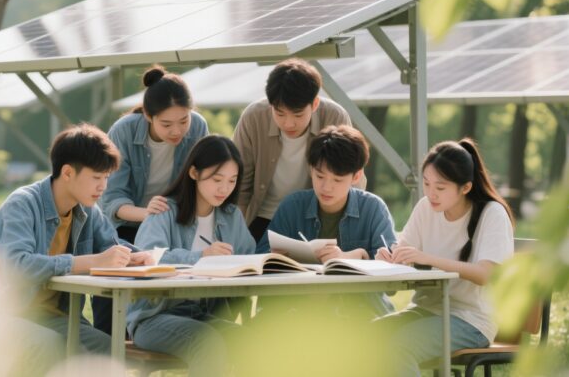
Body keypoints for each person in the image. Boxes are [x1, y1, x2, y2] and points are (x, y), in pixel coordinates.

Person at [0, 123, 152, 361]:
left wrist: (133, 258)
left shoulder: (87, 211)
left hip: (54, 318)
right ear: (68, 173)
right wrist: (89, 261)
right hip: (1, 316)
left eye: (106, 177)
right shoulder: (21, 204)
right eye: (96, 177)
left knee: (108, 350)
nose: (103, 186)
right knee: (49, 345)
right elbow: (17, 266)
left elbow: (110, 246)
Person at [375, 139, 515, 376]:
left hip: (471, 320)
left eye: (440, 188)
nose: (431, 194)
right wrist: (390, 259)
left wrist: (427, 258)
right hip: (426, 309)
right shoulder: (425, 208)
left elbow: (485, 275)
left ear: (466, 188)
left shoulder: (492, 214)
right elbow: (405, 251)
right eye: (427, 184)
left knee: (400, 346)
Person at [128, 135, 255, 377]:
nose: (224, 189)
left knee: (251, 341)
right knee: (207, 342)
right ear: (194, 173)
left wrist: (268, 260)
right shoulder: (164, 210)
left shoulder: (231, 216)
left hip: (204, 315)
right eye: (217, 179)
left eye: (232, 181)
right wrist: (201, 257)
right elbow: (147, 258)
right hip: (155, 317)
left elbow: (248, 257)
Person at [256, 125, 395, 316]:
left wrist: (353, 257)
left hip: (360, 315)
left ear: (356, 176)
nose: (326, 187)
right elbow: (259, 260)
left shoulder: (373, 209)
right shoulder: (292, 206)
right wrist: (278, 259)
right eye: (320, 176)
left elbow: (392, 280)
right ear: (310, 169)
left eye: (337, 180)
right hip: (297, 312)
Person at [233, 57, 359, 243]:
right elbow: (240, 186)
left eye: (298, 114)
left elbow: (350, 179)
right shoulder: (253, 117)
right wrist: (236, 237)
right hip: (263, 217)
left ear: (314, 104)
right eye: (279, 113)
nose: (288, 123)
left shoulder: (334, 116)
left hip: (315, 217)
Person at [100, 65, 208, 243]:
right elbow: (112, 199)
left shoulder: (198, 126)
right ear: (148, 116)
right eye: (166, 124)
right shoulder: (124, 131)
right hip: (127, 226)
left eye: (183, 121)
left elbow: (201, 183)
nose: (176, 131)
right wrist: (149, 213)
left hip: (175, 225)